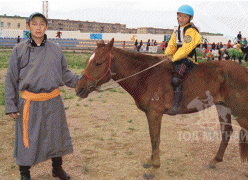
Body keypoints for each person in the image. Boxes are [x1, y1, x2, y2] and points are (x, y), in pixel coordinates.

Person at [5, 12, 80, 180]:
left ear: (46, 27)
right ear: (28, 26)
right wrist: (11, 105)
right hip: (30, 103)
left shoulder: (56, 49)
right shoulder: (19, 50)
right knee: (27, 140)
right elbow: (11, 78)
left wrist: (82, 82)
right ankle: (24, 173)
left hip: (53, 102)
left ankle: (57, 169)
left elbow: (65, 73)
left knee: (56, 136)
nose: (38, 27)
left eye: (42, 24)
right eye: (34, 24)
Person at [164, 5, 201, 115]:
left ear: (190, 18)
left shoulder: (191, 31)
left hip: (186, 58)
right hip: (177, 57)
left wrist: (174, 58)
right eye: (180, 16)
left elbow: (186, 48)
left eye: (185, 17)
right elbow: (172, 44)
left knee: (176, 78)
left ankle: (177, 106)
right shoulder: (177, 30)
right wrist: (167, 54)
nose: (182, 18)